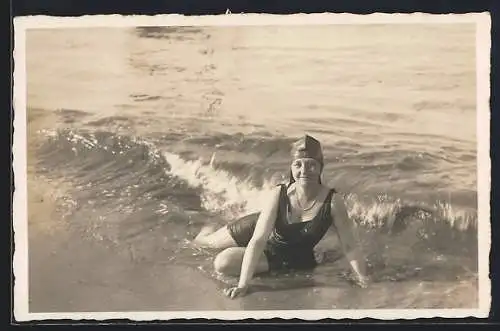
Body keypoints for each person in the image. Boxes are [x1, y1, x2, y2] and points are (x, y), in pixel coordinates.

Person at [193, 134, 370, 299]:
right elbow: (258, 240)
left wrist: (362, 278)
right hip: (255, 226)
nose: (304, 170)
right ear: (291, 168)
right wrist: (243, 285)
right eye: (298, 164)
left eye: (311, 164)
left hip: (279, 250)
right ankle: (208, 226)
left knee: (223, 263)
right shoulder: (279, 193)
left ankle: (242, 252)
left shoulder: (332, 201)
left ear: (320, 167)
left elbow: (349, 246)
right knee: (203, 243)